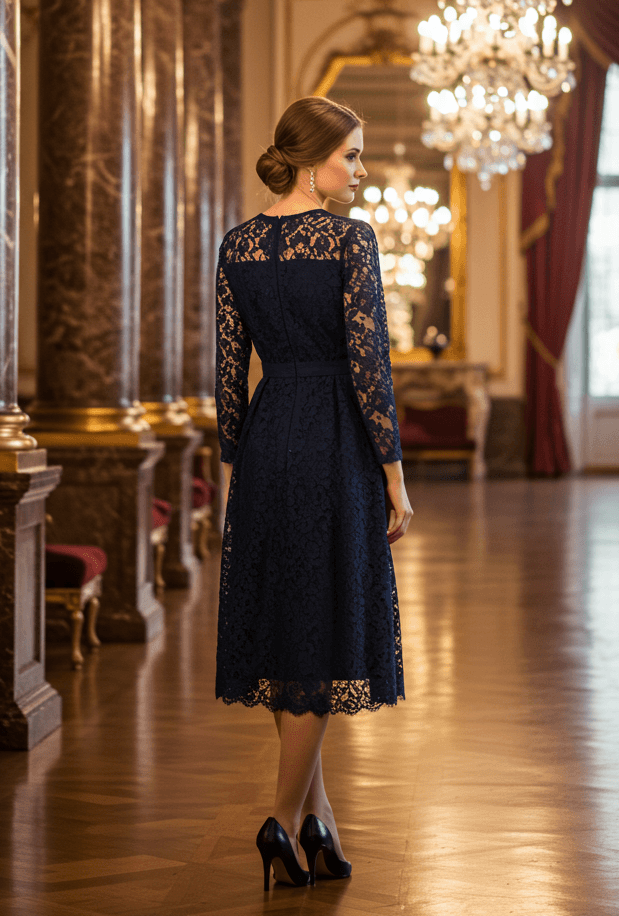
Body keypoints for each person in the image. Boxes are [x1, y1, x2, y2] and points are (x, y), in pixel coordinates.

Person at [214, 94, 413, 891]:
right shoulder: (348, 241)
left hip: (267, 444)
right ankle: (282, 820)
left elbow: (229, 376)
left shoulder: (237, 245)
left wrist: (239, 461)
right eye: (352, 156)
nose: (360, 171)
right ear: (311, 160)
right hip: (334, 442)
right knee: (323, 631)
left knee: (290, 628)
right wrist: (395, 473)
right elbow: (371, 370)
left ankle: (320, 825)